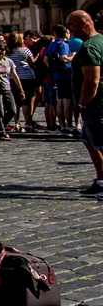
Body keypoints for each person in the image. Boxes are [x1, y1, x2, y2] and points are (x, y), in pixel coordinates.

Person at [68, 11, 103, 195]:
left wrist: (82, 104)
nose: (69, 30)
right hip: (94, 105)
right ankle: (101, 179)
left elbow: (92, 81)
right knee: (90, 142)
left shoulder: (90, 47)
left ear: (83, 23)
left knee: (99, 144)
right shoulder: (100, 41)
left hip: (95, 105)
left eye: (71, 25)